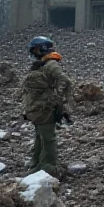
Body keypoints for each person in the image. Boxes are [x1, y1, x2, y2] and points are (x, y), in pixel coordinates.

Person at [21, 36, 73, 178]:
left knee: (48, 138)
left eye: (36, 49)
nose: (34, 53)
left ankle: (48, 166)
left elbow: (64, 81)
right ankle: (37, 163)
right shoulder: (42, 64)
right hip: (38, 108)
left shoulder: (51, 64)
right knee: (40, 136)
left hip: (46, 109)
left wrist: (54, 99)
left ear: (43, 49)